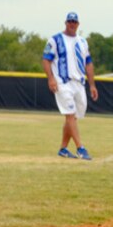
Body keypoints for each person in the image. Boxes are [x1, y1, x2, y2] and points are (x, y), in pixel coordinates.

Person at [42, 11, 98, 160]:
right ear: (65, 23)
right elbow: (46, 60)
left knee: (73, 118)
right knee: (70, 115)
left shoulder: (82, 42)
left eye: (74, 22)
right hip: (63, 82)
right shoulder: (55, 40)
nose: (72, 24)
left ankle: (63, 149)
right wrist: (51, 79)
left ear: (78, 24)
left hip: (79, 83)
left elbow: (88, 63)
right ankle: (81, 148)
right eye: (69, 22)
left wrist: (92, 85)